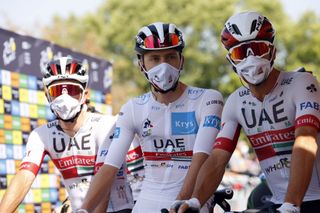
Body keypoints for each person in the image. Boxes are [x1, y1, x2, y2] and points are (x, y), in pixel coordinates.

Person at [176, 11, 320, 213]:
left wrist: (292, 204)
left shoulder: (302, 83)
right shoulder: (236, 101)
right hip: (279, 203)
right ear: (231, 60)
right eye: (241, 53)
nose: (251, 59)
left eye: (258, 48)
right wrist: (195, 201)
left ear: (273, 52)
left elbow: (305, 139)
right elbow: (218, 157)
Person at [78, 22, 224, 213]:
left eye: (171, 57)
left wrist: (181, 200)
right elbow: (109, 168)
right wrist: (83, 209)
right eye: (154, 58)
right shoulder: (133, 108)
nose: (163, 65)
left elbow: (201, 158)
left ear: (181, 60)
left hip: (192, 201)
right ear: (141, 64)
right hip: (147, 202)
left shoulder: (208, 99)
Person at [0, 57, 133, 213]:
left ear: (85, 95)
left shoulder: (106, 125)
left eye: (72, 90)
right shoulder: (40, 135)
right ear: (47, 96)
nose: (64, 99)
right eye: (57, 91)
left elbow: (104, 183)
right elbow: (24, 177)